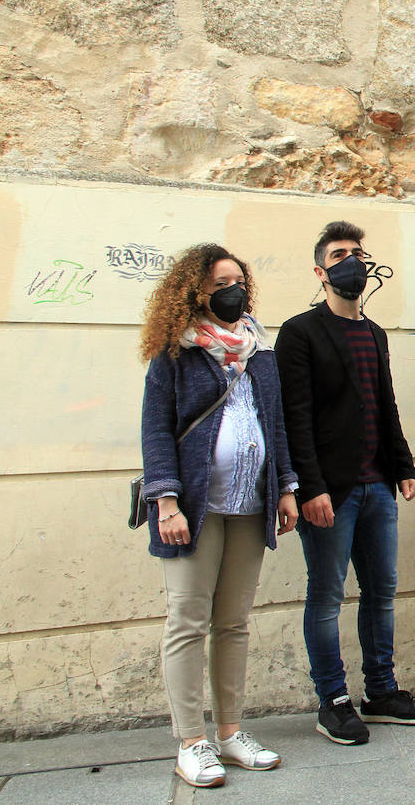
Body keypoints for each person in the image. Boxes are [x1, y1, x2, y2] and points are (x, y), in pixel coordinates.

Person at [139, 243, 299, 788]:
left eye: (239, 282)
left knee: (232, 623)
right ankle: (192, 742)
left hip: (250, 505)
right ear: (195, 293)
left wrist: (286, 487)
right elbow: (156, 430)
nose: (234, 292)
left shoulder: (259, 349)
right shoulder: (176, 354)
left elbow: (274, 423)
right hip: (194, 508)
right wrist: (165, 501)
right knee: (187, 623)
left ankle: (230, 733)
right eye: (220, 285)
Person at [275, 221, 415, 745]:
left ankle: (381, 692)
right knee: (326, 596)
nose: (352, 262)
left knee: (381, 592)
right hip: (330, 491)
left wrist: (403, 466)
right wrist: (309, 488)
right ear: (320, 272)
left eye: (358, 253)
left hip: (377, 486)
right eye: (339, 254)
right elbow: (294, 417)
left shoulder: (374, 333)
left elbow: (384, 403)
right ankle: (334, 701)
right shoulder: (300, 332)